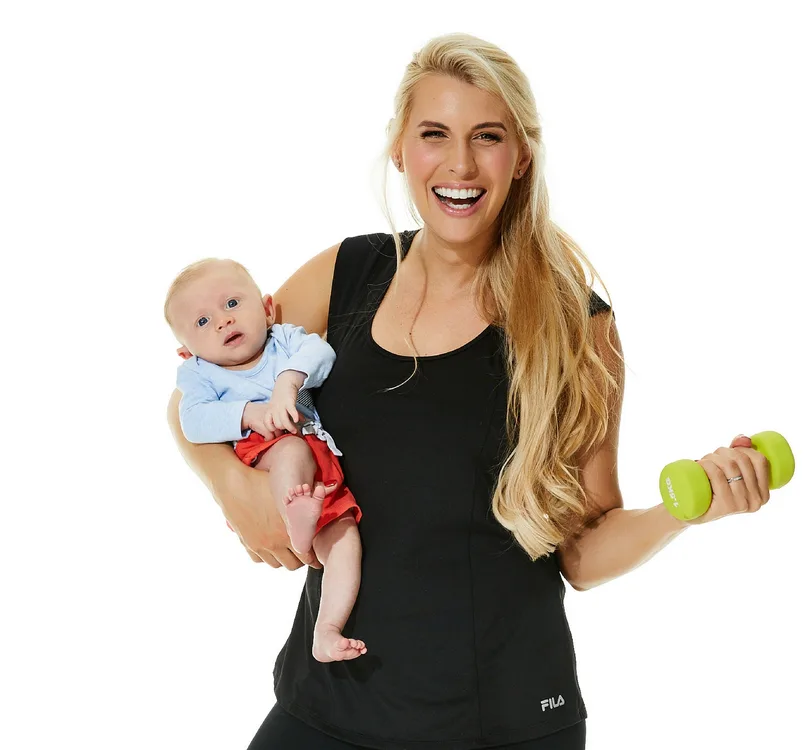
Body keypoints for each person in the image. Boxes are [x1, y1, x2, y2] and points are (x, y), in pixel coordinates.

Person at [166, 33, 771, 750]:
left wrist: (686, 505)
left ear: (522, 157)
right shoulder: (345, 276)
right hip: (322, 709)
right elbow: (195, 392)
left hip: (496, 725)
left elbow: (582, 550)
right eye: (434, 135)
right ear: (400, 149)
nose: (459, 164)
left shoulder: (577, 324)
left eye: (487, 136)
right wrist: (230, 489)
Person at [165, 257, 367, 663]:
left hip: (320, 459)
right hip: (265, 454)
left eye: (232, 304)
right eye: (203, 322)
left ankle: (326, 628)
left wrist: (287, 382)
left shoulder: (285, 340)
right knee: (290, 449)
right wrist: (248, 414)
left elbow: (319, 353)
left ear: (267, 308)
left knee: (346, 540)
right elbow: (193, 419)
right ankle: (296, 524)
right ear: (187, 353)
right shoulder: (201, 376)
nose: (222, 321)